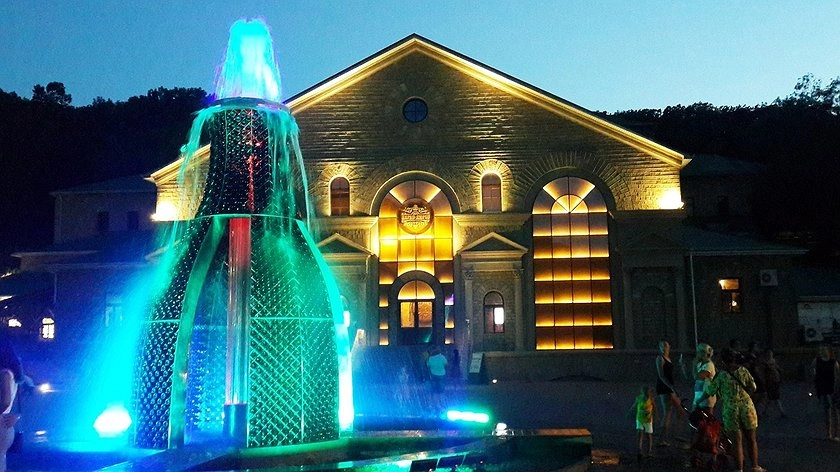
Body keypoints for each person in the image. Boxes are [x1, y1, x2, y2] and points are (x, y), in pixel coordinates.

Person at [695, 347, 766, 472]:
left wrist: (698, 401)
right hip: (747, 408)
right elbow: (753, 387)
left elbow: (710, 391)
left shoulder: (721, 376)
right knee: (751, 439)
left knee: (736, 441)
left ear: (723, 361)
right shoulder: (743, 371)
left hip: (730, 409)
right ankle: (755, 466)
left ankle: (739, 469)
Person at [655, 340, 684, 446]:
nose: (664, 348)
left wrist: (681, 365)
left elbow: (672, 374)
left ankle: (673, 435)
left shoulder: (668, 358)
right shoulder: (660, 358)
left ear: (669, 347)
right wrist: (671, 387)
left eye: (665, 346)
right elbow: (661, 375)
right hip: (664, 387)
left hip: (670, 387)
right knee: (668, 412)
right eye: (662, 346)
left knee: (676, 411)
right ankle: (662, 438)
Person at [0, 338, 23, 472]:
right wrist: (17, 416)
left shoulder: (3, 374)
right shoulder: (13, 375)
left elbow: (5, 401)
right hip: (6, 425)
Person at [810, 344, 840, 441]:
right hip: (824, 388)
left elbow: (837, 375)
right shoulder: (818, 361)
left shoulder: (832, 362)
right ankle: (830, 433)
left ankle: (834, 433)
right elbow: (812, 371)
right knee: (829, 411)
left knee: (833, 411)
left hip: (831, 388)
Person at [756, 348, 786, 418]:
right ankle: (781, 412)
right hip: (770, 381)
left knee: (771, 398)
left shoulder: (772, 361)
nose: (770, 355)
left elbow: (777, 370)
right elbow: (763, 371)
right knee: (775, 397)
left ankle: (764, 411)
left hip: (775, 380)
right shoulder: (765, 363)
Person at [630, 385, 657, 460]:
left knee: (648, 436)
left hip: (648, 420)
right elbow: (634, 406)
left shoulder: (651, 399)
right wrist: (630, 412)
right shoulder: (639, 398)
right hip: (640, 419)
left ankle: (648, 451)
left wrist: (656, 416)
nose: (645, 392)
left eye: (646, 391)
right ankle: (640, 451)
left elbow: (655, 408)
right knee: (640, 434)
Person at [693, 343, 717, 415]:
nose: (697, 354)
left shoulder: (709, 365)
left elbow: (697, 377)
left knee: (706, 419)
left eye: (698, 352)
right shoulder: (700, 364)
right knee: (695, 418)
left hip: (705, 398)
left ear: (703, 353)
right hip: (698, 395)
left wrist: (694, 365)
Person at [426, 346, 448, 410]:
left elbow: (428, 365)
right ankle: (442, 405)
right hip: (442, 375)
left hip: (433, 375)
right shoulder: (442, 357)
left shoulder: (430, 358)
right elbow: (446, 364)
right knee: (441, 391)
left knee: (435, 391)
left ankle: (435, 405)